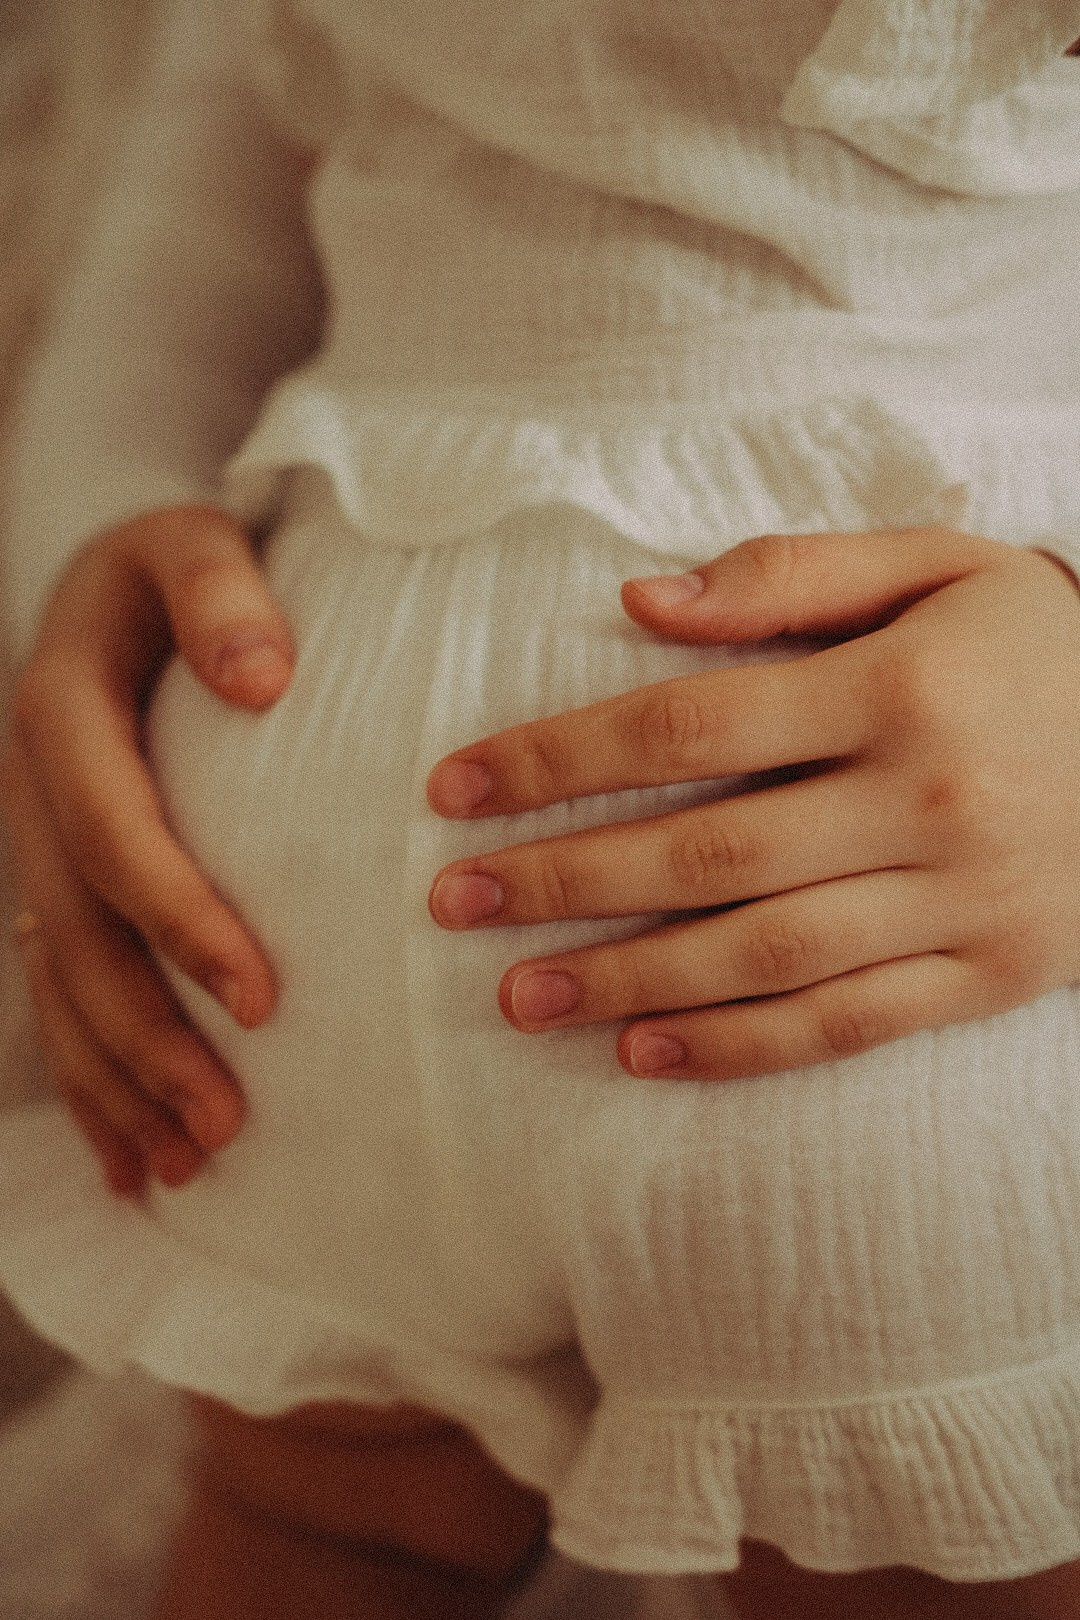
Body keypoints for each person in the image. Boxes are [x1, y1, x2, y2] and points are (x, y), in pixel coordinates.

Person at [3, 1, 1080, 1616]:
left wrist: (90, 559)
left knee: (321, 1532)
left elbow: (201, 186)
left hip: (299, 817)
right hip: (875, 902)